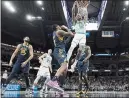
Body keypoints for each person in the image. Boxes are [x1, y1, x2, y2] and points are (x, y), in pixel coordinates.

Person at [46, 24, 74, 92]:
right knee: (64, 66)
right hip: (59, 51)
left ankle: (59, 85)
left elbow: (65, 42)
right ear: (57, 27)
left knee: (65, 69)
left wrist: (70, 35)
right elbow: (71, 34)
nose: (60, 26)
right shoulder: (58, 31)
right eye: (59, 26)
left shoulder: (58, 34)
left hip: (61, 51)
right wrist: (66, 28)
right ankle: (53, 81)